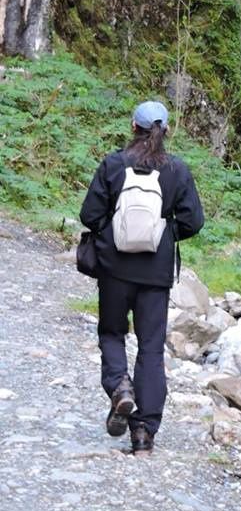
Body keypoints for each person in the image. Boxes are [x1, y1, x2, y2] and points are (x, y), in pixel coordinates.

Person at [80, 101, 204, 455]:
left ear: (132, 126)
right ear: (166, 131)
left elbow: (90, 214)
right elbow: (193, 221)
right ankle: (143, 434)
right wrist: (162, 235)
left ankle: (120, 388)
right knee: (150, 349)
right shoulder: (177, 170)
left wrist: (114, 232)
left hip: (114, 270)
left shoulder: (113, 164)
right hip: (156, 274)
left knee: (112, 332)